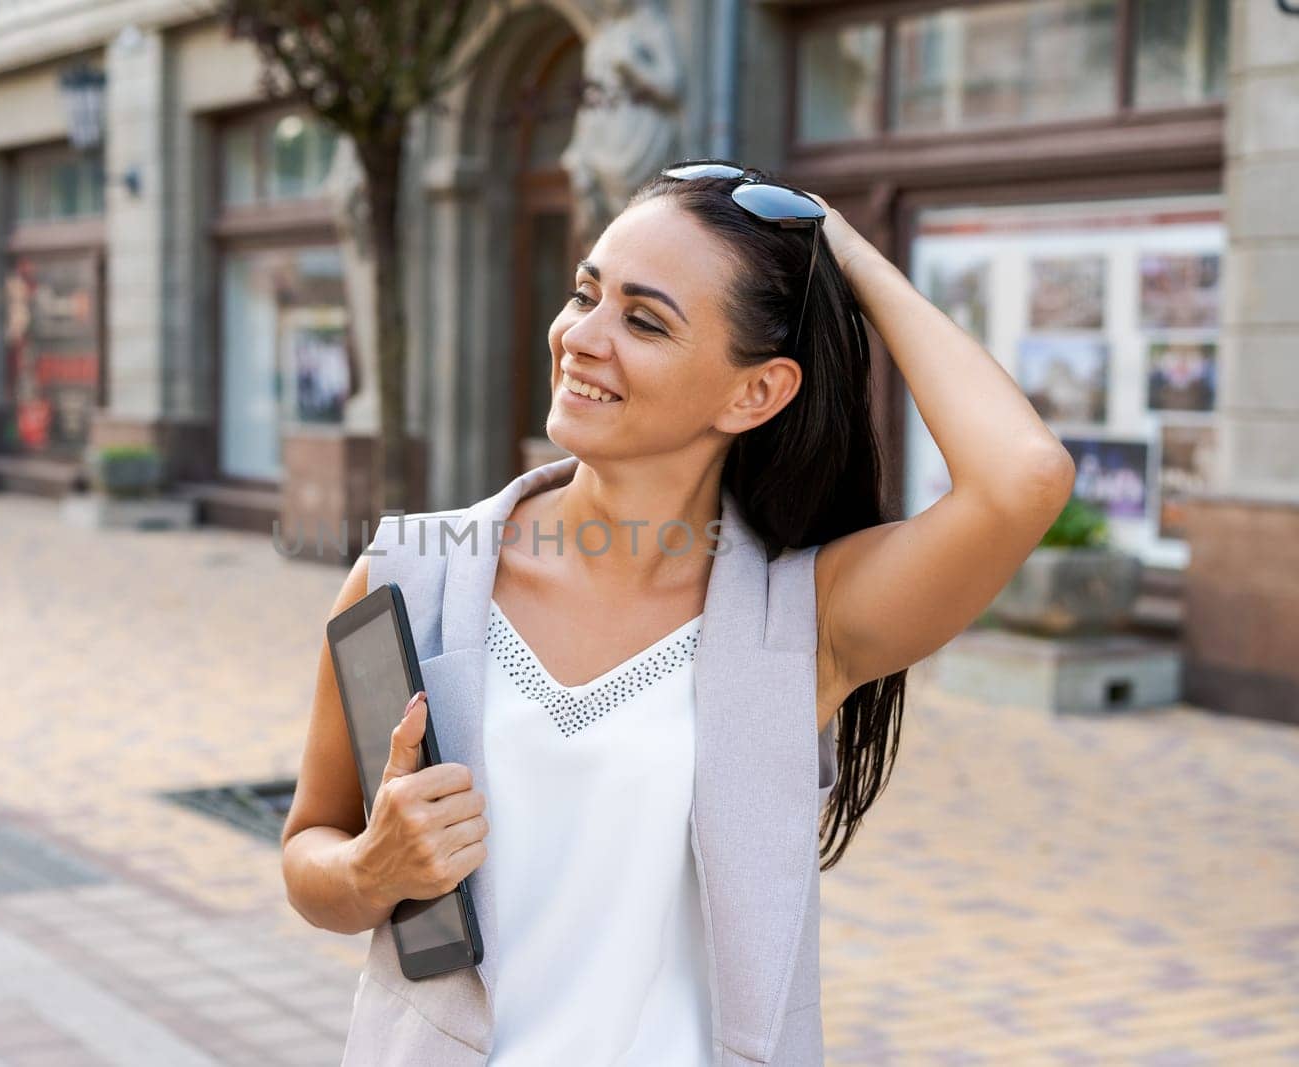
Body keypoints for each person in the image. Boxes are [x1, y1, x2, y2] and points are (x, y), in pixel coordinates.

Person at [281, 160, 1077, 1062]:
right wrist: (370, 868)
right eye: (586, 294)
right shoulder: (409, 578)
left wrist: (842, 249)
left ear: (756, 392)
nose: (583, 336)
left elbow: (1025, 477)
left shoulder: (804, 624)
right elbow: (313, 851)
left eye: (644, 320)